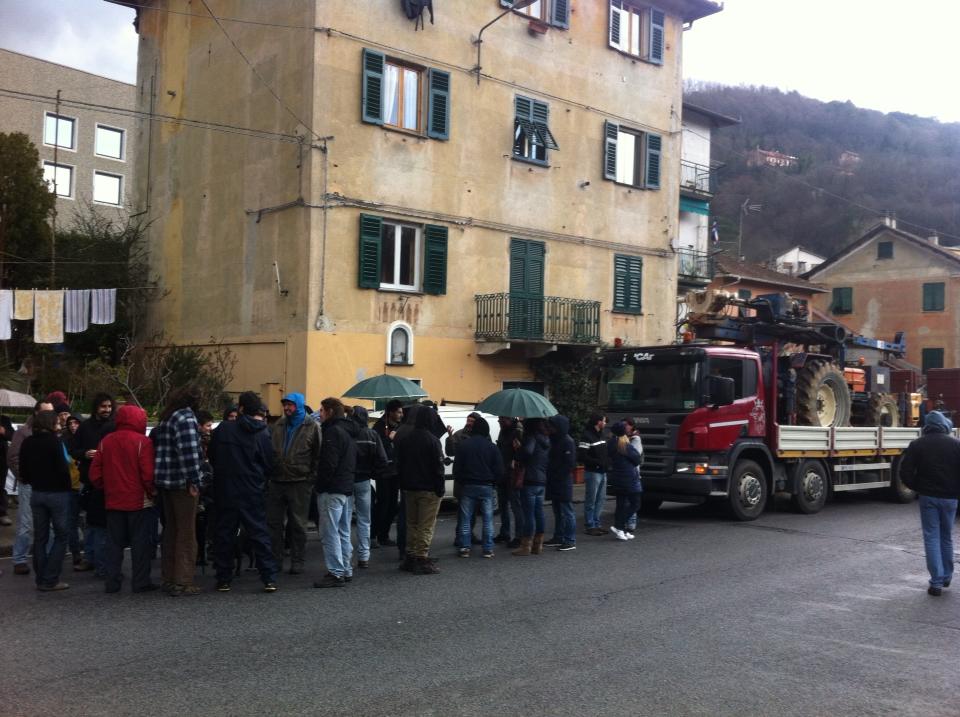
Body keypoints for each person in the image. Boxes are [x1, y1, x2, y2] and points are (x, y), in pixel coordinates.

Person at [209, 391, 278, 593]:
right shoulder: (262, 432)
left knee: (225, 534)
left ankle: (224, 578)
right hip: (252, 488)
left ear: (240, 408)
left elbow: (213, 455)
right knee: (259, 533)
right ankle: (269, 577)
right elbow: (269, 462)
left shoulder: (223, 429)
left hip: (226, 488)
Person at [89, 404, 158, 593]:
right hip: (138, 500)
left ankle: (112, 582)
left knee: (114, 544)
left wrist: (106, 487)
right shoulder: (143, 442)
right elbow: (147, 474)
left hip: (113, 499)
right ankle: (140, 581)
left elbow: (95, 474)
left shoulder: (106, 441)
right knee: (140, 543)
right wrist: (152, 492)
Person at [152, 385, 207, 596]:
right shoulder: (185, 418)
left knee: (171, 531)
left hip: (165, 481)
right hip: (182, 483)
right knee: (186, 533)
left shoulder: (167, 417)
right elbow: (189, 454)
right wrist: (195, 480)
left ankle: (169, 577)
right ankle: (183, 581)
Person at [898, 410, 960, 596]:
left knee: (931, 537)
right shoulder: (956, 444)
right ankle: (947, 575)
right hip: (950, 498)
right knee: (946, 536)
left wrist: (917, 487)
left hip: (928, 497)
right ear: (944, 425)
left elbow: (905, 471)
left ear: (927, 426)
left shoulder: (917, 444)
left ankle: (936, 582)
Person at [267, 392, 321, 575]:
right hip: (277, 480)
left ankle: (297, 560)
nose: (286, 408)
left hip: (300, 481)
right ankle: (275, 560)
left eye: (290, 405)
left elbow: (318, 455)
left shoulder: (312, 426)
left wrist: (311, 478)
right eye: (285, 405)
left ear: (298, 405)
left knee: (298, 524)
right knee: (274, 523)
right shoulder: (279, 425)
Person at [20, 410, 73, 591]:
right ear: (51, 424)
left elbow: (23, 470)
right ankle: (51, 578)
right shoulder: (55, 442)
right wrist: (67, 488)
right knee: (61, 535)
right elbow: (63, 469)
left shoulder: (27, 442)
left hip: (37, 492)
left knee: (40, 538)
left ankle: (41, 579)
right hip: (57, 493)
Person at [313, 398, 357, 588]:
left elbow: (328, 464)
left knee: (329, 532)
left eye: (322, 410)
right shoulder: (348, 431)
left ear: (330, 411)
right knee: (343, 531)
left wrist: (320, 485)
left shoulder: (332, 432)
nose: (320, 414)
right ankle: (345, 569)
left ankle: (335, 572)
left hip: (332, 489)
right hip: (346, 487)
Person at [395, 405, 445, 574]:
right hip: (428, 488)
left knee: (412, 524)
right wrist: (440, 488)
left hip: (409, 487)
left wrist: (403, 483)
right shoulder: (433, 440)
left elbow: (400, 464)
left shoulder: (406, 439)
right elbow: (438, 467)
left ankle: (410, 556)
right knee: (426, 525)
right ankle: (421, 558)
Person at [71, 393, 116, 575]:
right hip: (87, 479)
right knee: (88, 522)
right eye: (103, 406)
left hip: (107, 481)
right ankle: (89, 557)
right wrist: (84, 453)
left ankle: (101, 561)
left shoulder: (114, 426)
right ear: (96, 407)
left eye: (109, 406)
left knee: (103, 524)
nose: (107, 410)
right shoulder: (85, 427)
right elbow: (73, 449)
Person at [9, 400, 54, 576]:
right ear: (36, 413)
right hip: (29, 484)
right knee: (26, 523)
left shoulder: (53, 432)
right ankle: (19, 559)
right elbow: (13, 457)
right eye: (45, 412)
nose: (49, 415)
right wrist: (25, 477)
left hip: (48, 485)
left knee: (50, 524)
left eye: (51, 412)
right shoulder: (23, 432)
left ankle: (49, 557)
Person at [453, 416, 503, 558]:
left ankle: (465, 547)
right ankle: (488, 548)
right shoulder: (492, 447)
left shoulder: (464, 446)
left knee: (465, 518)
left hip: (468, 485)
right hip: (487, 485)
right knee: (488, 519)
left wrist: (462, 481)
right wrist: (494, 483)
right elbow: (499, 470)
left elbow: (457, 468)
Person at [350, 405, 386, 569]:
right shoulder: (372, 435)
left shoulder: (347, 434)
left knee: (345, 521)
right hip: (364, 480)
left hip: (347, 479)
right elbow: (382, 459)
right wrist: (373, 472)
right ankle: (364, 556)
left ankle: (346, 555)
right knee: (365, 519)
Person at [372, 400, 403, 549]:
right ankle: (374, 535)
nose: (401, 415)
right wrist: (388, 439)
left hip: (395, 471)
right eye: (399, 412)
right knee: (382, 504)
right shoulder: (379, 427)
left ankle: (384, 535)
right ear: (390, 412)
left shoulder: (399, 427)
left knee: (392, 505)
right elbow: (376, 448)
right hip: (383, 472)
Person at [447, 412, 481, 548]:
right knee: (463, 510)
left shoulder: (482, 435)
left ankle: (469, 533)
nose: (468, 423)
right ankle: (459, 536)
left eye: (472, 421)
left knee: (473, 511)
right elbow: (450, 452)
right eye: (468, 420)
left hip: (476, 477)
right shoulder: (459, 435)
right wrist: (450, 438)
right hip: (463, 478)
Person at [544, 415, 577, 552]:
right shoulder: (554, 440)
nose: (549, 428)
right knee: (558, 511)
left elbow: (569, 464)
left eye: (551, 426)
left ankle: (570, 540)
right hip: (556, 480)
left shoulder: (567, 441)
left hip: (562, 481)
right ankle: (559, 537)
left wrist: (556, 475)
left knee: (566, 511)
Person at [606, 421, 643, 541]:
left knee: (621, 505)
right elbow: (637, 459)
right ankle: (619, 526)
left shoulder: (611, 443)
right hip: (629, 478)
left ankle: (622, 530)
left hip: (617, 477)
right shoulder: (625, 445)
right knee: (635, 503)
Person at [578, 413, 609, 536]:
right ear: (598, 422)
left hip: (602, 472)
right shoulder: (586, 436)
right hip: (593, 472)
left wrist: (607, 463)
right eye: (604, 421)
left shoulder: (602, 435)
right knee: (591, 500)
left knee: (600, 500)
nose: (605, 423)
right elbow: (582, 455)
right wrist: (598, 462)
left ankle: (596, 524)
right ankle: (590, 525)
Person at [494, 416, 524, 547]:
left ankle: (519, 536)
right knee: (503, 505)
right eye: (499, 419)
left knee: (515, 506)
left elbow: (523, 453)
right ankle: (505, 533)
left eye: (502, 419)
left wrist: (517, 454)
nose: (499, 422)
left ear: (510, 419)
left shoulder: (518, 431)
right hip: (503, 472)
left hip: (512, 474)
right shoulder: (504, 431)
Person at [623, 418, 645, 533]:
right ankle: (625, 522)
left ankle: (630, 523)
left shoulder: (635, 439)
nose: (624, 427)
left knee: (632, 500)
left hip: (633, 474)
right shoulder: (624, 438)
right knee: (626, 500)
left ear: (632, 426)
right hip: (626, 474)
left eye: (626, 425)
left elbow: (633, 456)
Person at [0, 415, 13, 527]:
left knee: (0, 486)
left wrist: (4, 432)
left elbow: (12, 436)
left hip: (1, 461)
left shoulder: (4, 419)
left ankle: (2, 513)